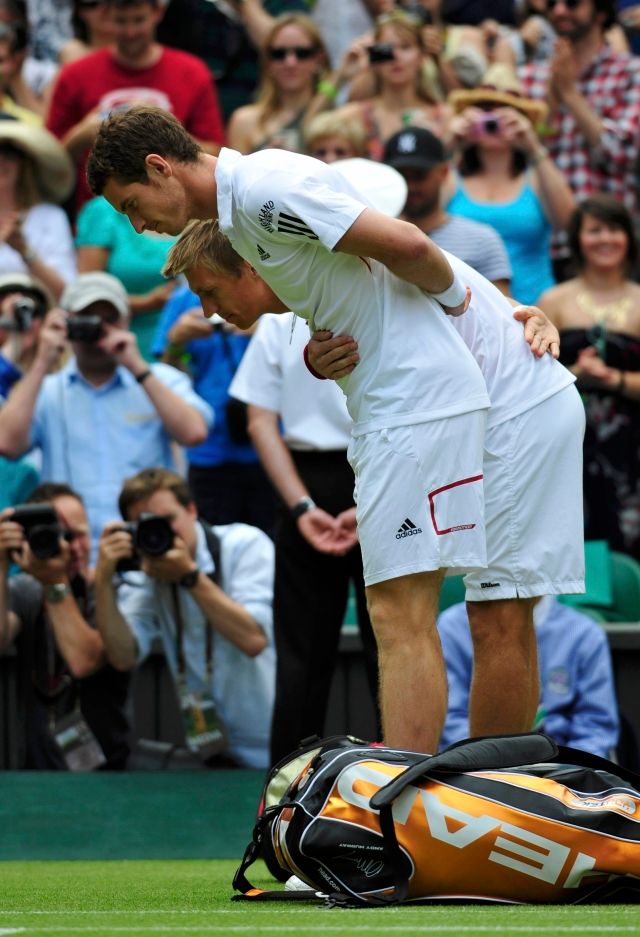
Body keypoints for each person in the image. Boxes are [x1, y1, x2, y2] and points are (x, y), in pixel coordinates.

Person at [86, 106, 583, 753]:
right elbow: (373, 277)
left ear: (158, 167)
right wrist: (320, 353)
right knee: (489, 615)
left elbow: (408, 246)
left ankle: (413, 819)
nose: (136, 224)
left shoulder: (261, 189)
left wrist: (478, 309)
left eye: (130, 204)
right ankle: (481, 813)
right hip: (480, 401)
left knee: (416, 615)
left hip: (488, 400)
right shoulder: (251, 213)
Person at [229, 312, 379, 764]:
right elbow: (256, 420)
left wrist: (302, 506)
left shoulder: (281, 319)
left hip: (355, 473)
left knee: (383, 645)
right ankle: (404, 781)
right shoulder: (281, 321)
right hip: (357, 476)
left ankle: (285, 790)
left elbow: (260, 422)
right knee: (380, 644)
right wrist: (303, 505)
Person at [0, 271, 212, 556]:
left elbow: (194, 433)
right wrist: (43, 358)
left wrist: (136, 365)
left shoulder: (159, 379)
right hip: (74, 552)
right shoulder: (47, 389)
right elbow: (7, 444)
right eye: (87, 318)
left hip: (147, 546)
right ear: (65, 321)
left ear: (126, 322)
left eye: (109, 320)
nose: (99, 329)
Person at [95, 467, 276, 769]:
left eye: (166, 521)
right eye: (145, 527)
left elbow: (253, 639)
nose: (160, 534)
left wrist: (189, 576)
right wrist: (103, 580)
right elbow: (123, 656)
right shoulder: (148, 574)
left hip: (269, 745)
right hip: (207, 752)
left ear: (191, 509)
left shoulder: (243, 544)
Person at [45, 0, 226, 217]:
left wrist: (162, 129)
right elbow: (47, 161)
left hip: (176, 215)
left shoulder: (192, 72)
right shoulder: (76, 74)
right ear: (105, 14)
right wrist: (83, 133)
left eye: (138, 20)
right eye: (121, 21)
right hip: (100, 219)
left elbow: (214, 155)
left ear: (157, 13)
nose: (130, 32)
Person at [0, 482, 130, 769]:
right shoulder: (25, 589)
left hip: (111, 771)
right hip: (37, 771)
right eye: (54, 535)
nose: (69, 547)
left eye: (76, 535)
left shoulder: (108, 589)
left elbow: (85, 660)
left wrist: (54, 583)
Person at [538, 195, 640, 560]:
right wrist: (575, 375)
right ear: (578, 240)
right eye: (595, 230)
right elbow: (531, 377)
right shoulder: (553, 301)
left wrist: (613, 378)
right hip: (569, 437)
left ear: (629, 237)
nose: (605, 239)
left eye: (614, 229)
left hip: (632, 441)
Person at [518, 0, 640, 277]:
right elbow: (520, 159)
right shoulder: (528, 77)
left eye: (572, 3)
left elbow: (622, 155)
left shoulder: (632, 72)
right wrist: (552, 95)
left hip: (609, 246)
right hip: (539, 249)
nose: (560, 10)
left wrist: (570, 94)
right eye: (552, 3)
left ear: (600, 11)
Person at [150, 284, 276, 534]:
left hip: (272, 446)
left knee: (274, 547)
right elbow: (167, 377)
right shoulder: (184, 299)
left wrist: (265, 330)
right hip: (210, 450)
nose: (211, 309)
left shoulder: (268, 289)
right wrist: (176, 342)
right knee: (216, 545)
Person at [444, 65, 575, 304]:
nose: (494, 119)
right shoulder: (451, 177)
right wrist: (450, 143)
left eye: (506, 112)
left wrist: (533, 146)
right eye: (485, 110)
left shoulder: (536, 177)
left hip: (532, 308)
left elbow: (572, 224)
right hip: (461, 310)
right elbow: (413, 213)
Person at [438, 596, 620, 758]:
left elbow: (596, 728)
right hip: (476, 768)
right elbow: (449, 720)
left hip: (563, 773)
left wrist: (564, 773)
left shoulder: (585, 635)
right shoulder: (451, 628)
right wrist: (481, 764)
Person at [382, 125, 512, 294]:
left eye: (419, 175)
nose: (410, 185)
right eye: (401, 176)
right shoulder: (377, 237)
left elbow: (502, 311)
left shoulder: (481, 239)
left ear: (443, 172)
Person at [316, 10, 451, 162]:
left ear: (422, 56)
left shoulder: (444, 116)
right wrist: (340, 76)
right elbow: (308, 133)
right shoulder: (354, 116)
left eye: (405, 47)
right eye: (386, 49)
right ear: (374, 56)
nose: (396, 56)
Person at [75, 194, 176, 360]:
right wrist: (145, 303)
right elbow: (85, 292)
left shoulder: (185, 202)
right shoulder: (102, 211)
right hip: (119, 342)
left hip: (185, 341)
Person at [227, 13, 329, 155]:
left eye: (302, 53)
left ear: (319, 59)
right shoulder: (243, 121)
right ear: (267, 62)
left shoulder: (332, 116)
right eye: (279, 54)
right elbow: (235, 177)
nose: (290, 63)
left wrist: (339, 77)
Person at [0, 118, 76, 301]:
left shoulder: (50, 216)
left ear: (24, 164)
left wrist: (23, 249)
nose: (0, 159)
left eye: (8, 152)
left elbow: (67, 294)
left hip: (36, 323)